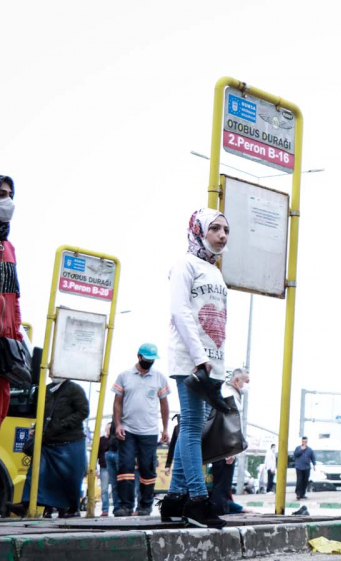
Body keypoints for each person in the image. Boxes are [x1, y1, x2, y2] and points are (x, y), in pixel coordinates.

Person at [158, 208, 230, 529]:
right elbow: (181, 312)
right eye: (214, 228)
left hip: (210, 361)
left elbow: (217, 321)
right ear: (198, 231)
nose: (222, 235)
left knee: (194, 425)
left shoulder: (215, 271)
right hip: (189, 358)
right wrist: (200, 356)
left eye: (226, 230)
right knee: (191, 427)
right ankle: (198, 502)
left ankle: (174, 501)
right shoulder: (183, 265)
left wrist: (217, 363)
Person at [14, 379, 89, 518]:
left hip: (69, 440)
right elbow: (43, 414)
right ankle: (27, 503)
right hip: (48, 441)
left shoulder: (74, 389)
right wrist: (37, 429)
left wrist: (62, 424)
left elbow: (84, 411)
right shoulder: (47, 389)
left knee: (69, 478)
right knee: (37, 471)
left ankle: (71, 508)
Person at [111, 343, 170, 517]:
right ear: (138, 356)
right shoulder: (124, 376)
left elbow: (164, 404)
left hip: (150, 431)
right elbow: (117, 402)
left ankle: (145, 506)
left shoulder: (159, 378)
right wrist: (118, 424)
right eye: (146, 359)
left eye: (152, 360)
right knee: (126, 466)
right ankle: (125, 506)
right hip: (128, 430)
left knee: (147, 467)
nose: (149, 362)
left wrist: (165, 428)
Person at [0, 175, 23, 431]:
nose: (5, 201)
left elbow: (13, 298)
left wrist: (15, 339)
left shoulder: (9, 248)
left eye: (7, 195)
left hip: (2, 347)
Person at [208, 368, 249, 516]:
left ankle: (220, 509)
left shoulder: (228, 393)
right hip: (225, 448)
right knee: (222, 485)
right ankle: (220, 511)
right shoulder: (230, 395)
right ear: (237, 381)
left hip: (221, 447)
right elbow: (228, 424)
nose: (247, 386)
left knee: (222, 484)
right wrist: (229, 450)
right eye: (246, 381)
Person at [98, 423, 117, 517]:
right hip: (104, 467)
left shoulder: (114, 440)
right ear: (106, 429)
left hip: (113, 467)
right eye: (108, 428)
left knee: (115, 488)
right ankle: (105, 510)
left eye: (111, 428)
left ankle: (116, 508)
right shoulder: (101, 440)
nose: (109, 430)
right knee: (104, 490)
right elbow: (97, 454)